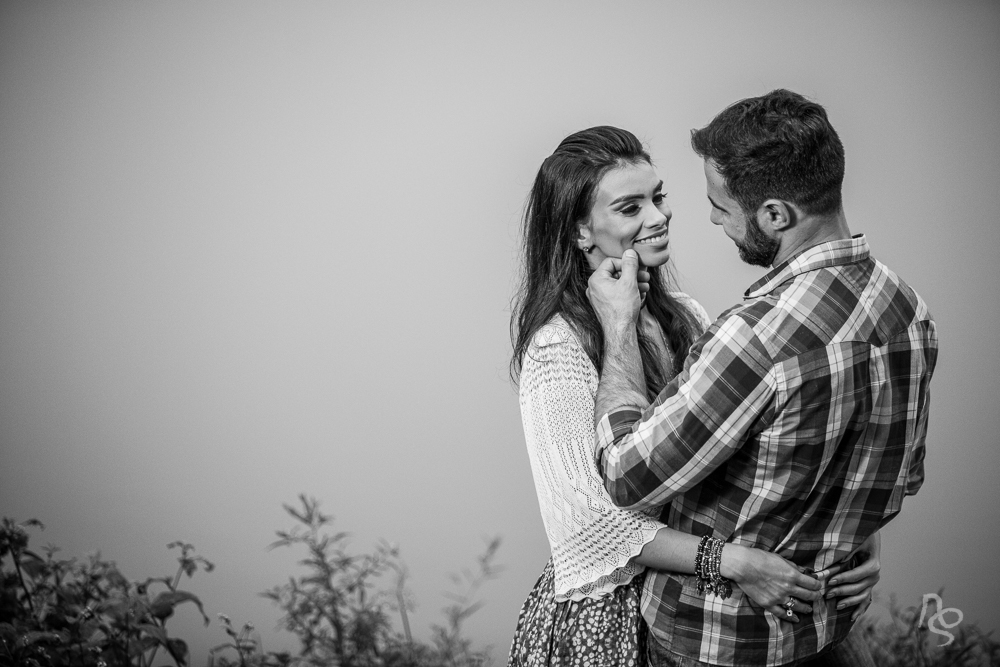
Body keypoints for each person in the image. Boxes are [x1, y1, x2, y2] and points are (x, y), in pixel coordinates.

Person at [508, 126, 880, 666]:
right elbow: (590, 525)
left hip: (732, 598)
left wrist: (856, 545)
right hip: (616, 615)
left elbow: (764, 464)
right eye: (631, 207)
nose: (659, 217)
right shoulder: (557, 348)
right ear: (581, 231)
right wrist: (732, 563)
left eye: (658, 198)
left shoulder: (687, 315)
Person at [588, 91, 937, 666]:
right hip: (828, 626)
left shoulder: (755, 338)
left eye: (722, 208)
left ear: (775, 215)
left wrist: (620, 328)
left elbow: (627, 478)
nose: (710, 219)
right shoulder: (909, 312)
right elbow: (899, 475)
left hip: (718, 642)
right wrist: (858, 542)